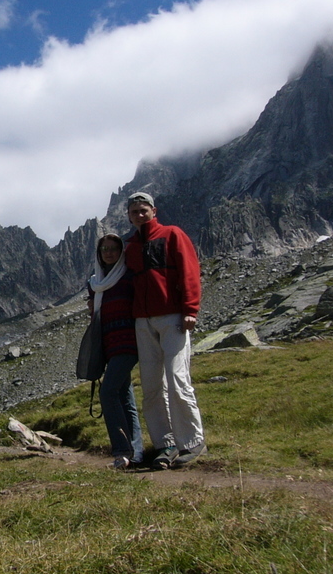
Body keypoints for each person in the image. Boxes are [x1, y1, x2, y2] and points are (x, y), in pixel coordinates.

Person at [124, 191, 206, 469]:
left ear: (153, 210)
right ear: (129, 216)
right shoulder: (130, 246)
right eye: (134, 211)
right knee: (151, 386)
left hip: (172, 317)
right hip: (143, 322)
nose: (139, 214)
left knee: (176, 378)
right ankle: (165, 444)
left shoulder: (172, 234)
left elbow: (189, 271)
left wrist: (190, 309)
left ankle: (193, 442)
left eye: (143, 209)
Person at [87, 233, 144, 470]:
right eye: (104, 249)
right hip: (109, 345)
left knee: (108, 393)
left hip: (128, 343)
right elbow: (94, 313)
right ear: (99, 254)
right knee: (124, 397)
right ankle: (136, 451)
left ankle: (122, 451)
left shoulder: (129, 276)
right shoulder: (95, 282)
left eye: (113, 248)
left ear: (122, 251)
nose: (109, 253)